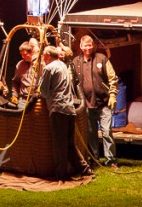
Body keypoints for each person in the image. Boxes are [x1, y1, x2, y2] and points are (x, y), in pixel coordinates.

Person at [39, 44, 91, 183]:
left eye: (43, 56)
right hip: (69, 109)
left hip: (58, 109)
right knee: (69, 144)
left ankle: (61, 174)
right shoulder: (63, 65)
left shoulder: (49, 68)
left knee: (59, 145)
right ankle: (85, 170)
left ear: (47, 56)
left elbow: (43, 91)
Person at [71, 34, 119, 169]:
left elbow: (113, 78)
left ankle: (111, 160)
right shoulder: (76, 62)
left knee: (106, 132)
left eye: (90, 45)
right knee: (91, 134)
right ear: (81, 46)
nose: (88, 48)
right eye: (85, 45)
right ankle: (94, 159)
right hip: (86, 104)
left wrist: (113, 95)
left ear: (94, 46)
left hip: (104, 103)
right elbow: (71, 81)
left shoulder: (102, 59)